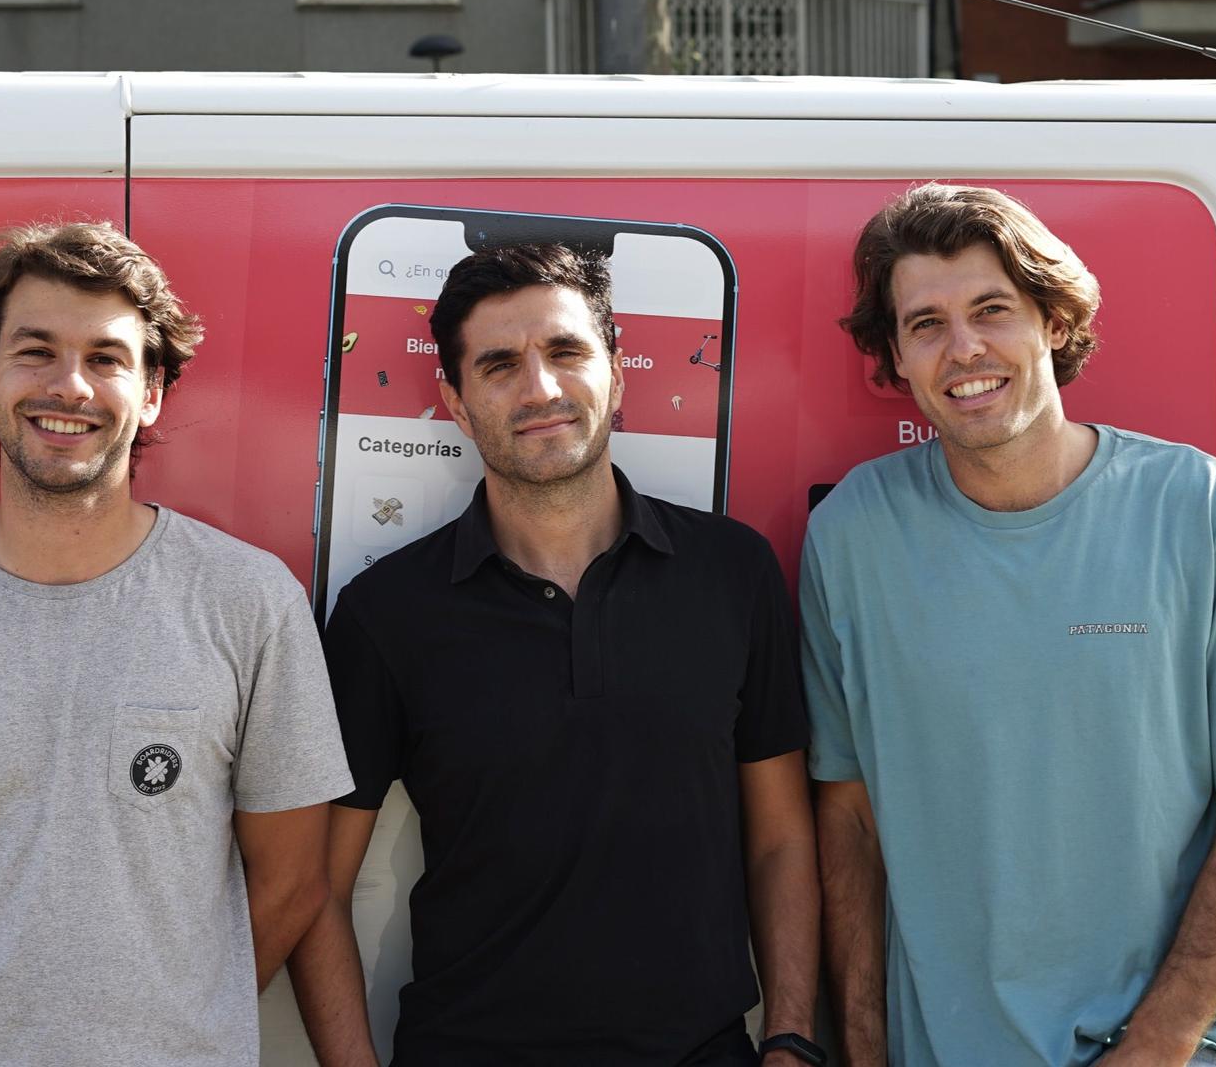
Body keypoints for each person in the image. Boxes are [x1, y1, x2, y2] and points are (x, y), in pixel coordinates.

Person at [0, 220, 354, 1066]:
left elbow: (293, 879)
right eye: (36, 351)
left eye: (107, 359)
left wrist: (178, 1027)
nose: (70, 387)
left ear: (153, 390)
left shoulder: (247, 600)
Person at [803, 184, 1216, 1067]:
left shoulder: (1201, 510)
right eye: (925, 323)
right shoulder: (851, 533)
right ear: (895, 353)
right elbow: (846, 815)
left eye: (992, 310)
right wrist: (860, 1044)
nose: (963, 348)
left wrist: (1158, 1044)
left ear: (1053, 319)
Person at [290, 243, 824, 1067]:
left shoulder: (733, 574)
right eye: (499, 365)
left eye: (566, 352)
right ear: (457, 406)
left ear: (618, 373)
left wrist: (790, 1038)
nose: (540, 389)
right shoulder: (386, 615)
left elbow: (781, 838)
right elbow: (316, 886)